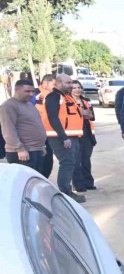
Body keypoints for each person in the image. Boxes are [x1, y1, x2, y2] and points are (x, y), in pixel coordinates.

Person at [41, 74, 85, 203]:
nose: (71, 85)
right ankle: (65, 193)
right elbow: (53, 117)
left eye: (71, 82)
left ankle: (67, 191)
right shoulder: (54, 97)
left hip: (72, 136)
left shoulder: (66, 97)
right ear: (59, 83)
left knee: (70, 164)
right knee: (66, 163)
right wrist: (63, 137)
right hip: (61, 137)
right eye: (68, 83)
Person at [0, 79, 47, 173]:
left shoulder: (29, 105)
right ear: (17, 89)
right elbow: (8, 130)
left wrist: (41, 146)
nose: (31, 94)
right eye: (27, 91)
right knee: (23, 183)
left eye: (33, 91)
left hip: (35, 149)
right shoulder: (9, 106)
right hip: (22, 152)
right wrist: (20, 149)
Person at [71, 80, 97, 193]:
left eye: (79, 87)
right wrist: (81, 113)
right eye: (74, 88)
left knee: (86, 159)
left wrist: (87, 114)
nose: (77, 90)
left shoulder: (86, 101)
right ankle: (78, 184)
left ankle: (88, 182)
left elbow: (91, 116)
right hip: (74, 133)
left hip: (87, 132)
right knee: (76, 160)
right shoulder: (67, 102)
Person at [34, 74, 56, 178]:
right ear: (45, 83)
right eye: (53, 84)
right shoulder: (34, 94)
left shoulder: (54, 94)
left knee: (48, 163)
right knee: (38, 163)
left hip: (49, 134)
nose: (55, 86)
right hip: (36, 135)